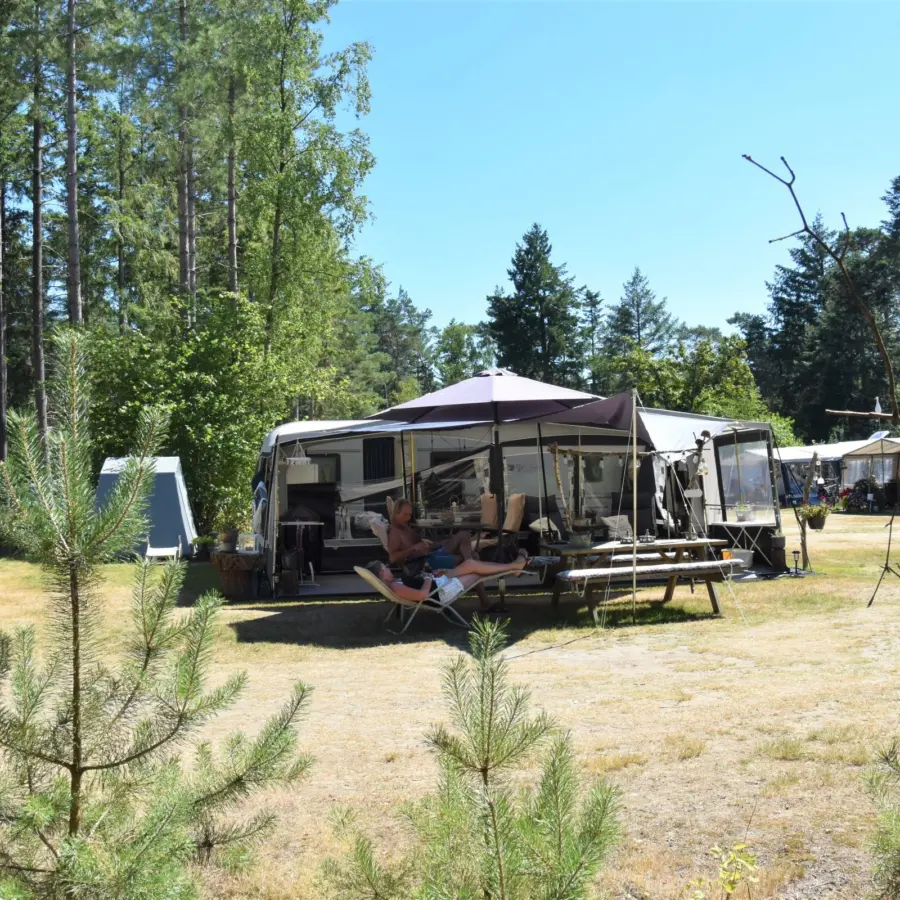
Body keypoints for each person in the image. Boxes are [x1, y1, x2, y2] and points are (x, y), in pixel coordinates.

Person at [365, 554, 529, 606]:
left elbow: (420, 587)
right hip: (441, 593)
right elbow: (423, 595)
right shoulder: (396, 587)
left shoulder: (396, 583)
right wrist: (428, 578)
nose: (388, 567)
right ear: (381, 574)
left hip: (439, 584)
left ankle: (514, 567)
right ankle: (514, 567)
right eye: (385, 568)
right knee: (477, 573)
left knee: (470, 563)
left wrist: (429, 575)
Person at [387, 498, 478, 570]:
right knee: (466, 538)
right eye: (405, 514)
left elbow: (419, 543)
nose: (408, 518)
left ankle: (470, 564)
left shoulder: (404, 527)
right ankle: (469, 564)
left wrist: (432, 544)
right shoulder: (395, 532)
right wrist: (412, 549)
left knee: (471, 549)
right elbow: (393, 558)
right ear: (396, 513)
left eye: (410, 515)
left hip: (431, 553)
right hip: (425, 562)